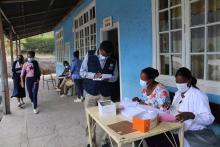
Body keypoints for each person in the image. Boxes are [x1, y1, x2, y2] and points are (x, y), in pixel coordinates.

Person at [136, 67, 220, 147]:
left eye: (181, 83)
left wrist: (192, 115)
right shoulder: (178, 93)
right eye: (177, 82)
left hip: (191, 132)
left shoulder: (198, 95)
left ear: (189, 81)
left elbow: (209, 119)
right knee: (151, 137)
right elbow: (174, 111)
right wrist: (168, 108)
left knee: (161, 141)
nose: (179, 85)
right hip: (175, 128)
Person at [80, 41, 118, 147]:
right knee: (90, 118)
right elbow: (82, 72)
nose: (106, 57)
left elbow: (115, 77)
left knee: (108, 116)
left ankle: (105, 141)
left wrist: (107, 77)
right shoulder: (90, 55)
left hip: (105, 92)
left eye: (108, 55)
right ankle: (90, 141)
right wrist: (94, 76)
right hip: (91, 92)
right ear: (100, 50)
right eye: (105, 55)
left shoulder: (113, 60)